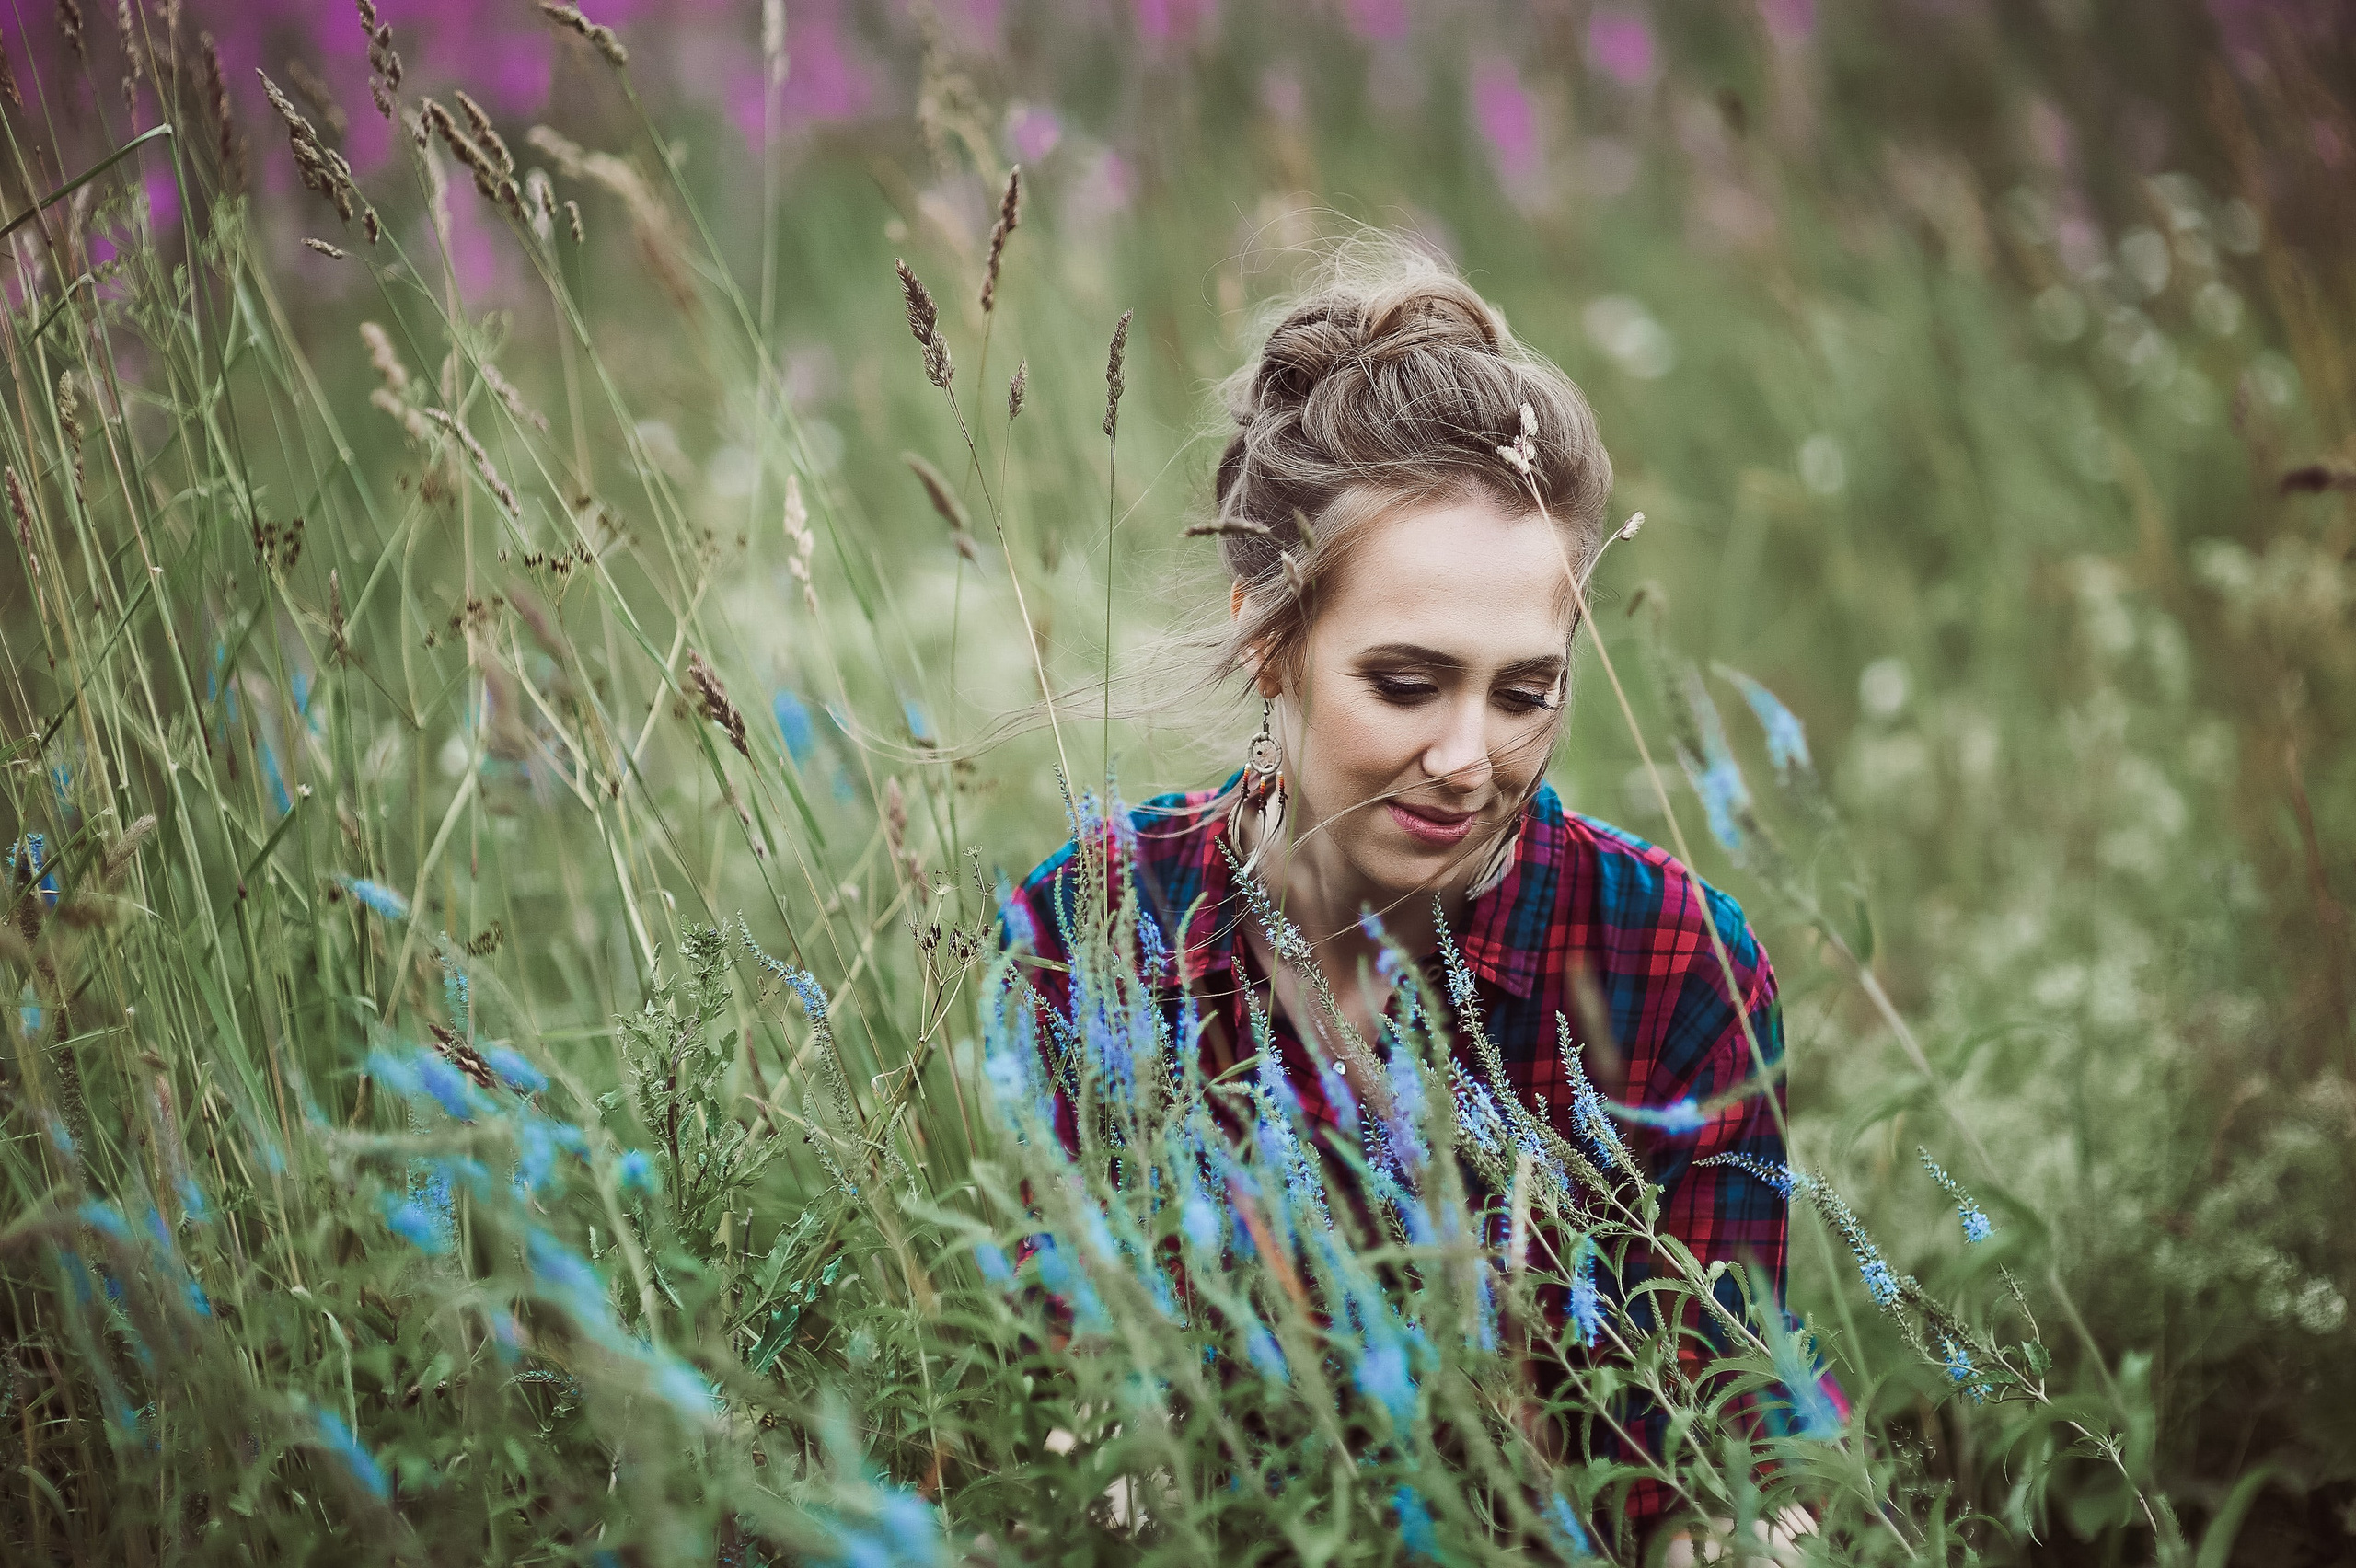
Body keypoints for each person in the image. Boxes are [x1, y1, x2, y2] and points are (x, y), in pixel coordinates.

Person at [1002, 243, 1812, 1554]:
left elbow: (1722, 1449)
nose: (1466, 757)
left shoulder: (1671, 962)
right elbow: (1068, 1402)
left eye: (1523, 691)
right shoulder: (1092, 929)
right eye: (1406, 681)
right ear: (1271, 636)